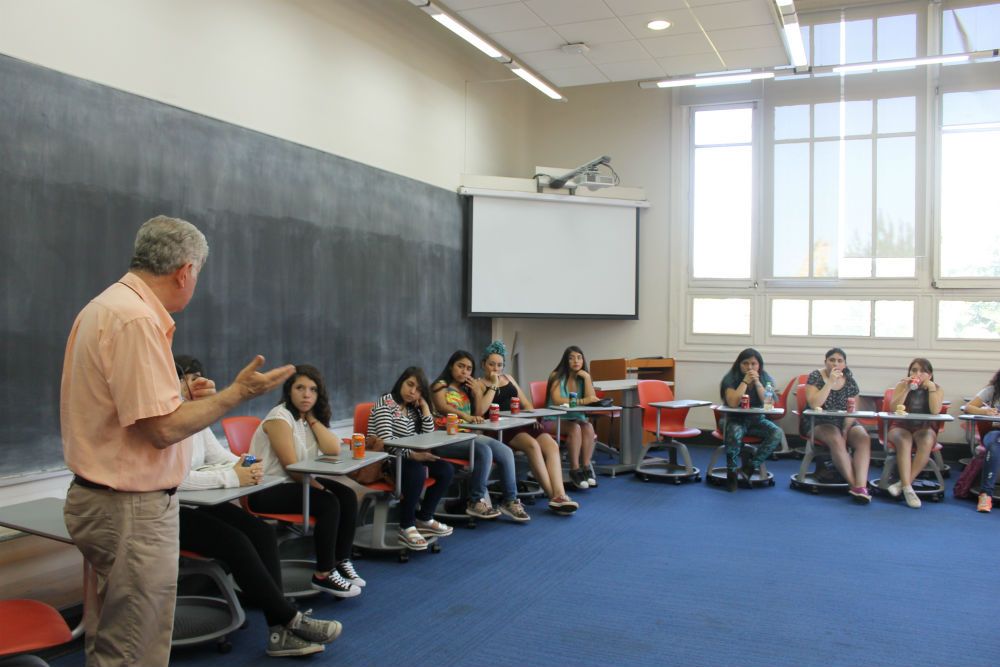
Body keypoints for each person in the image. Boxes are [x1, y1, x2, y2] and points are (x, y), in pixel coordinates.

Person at [60, 215, 294, 667]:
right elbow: (163, 430)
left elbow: (134, 413)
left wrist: (183, 397)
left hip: (108, 501)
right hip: (130, 510)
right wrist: (236, 394)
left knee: (114, 639)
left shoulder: (108, 307)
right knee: (135, 648)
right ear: (185, 271)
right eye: (198, 275)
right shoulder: (135, 321)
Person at [174, 355, 340, 657]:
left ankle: (278, 630)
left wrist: (248, 464)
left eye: (200, 376)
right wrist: (231, 477)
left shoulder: (196, 418)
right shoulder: (166, 419)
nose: (197, 383)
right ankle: (289, 618)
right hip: (169, 511)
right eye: (188, 377)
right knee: (236, 542)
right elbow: (175, 479)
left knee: (261, 533)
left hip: (198, 504)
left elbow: (221, 456)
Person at [248, 365, 366, 596]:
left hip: (294, 483)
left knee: (347, 495)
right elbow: (292, 467)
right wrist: (319, 487)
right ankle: (324, 574)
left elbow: (333, 449)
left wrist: (312, 417)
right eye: (300, 388)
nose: (306, 394)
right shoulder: (279, 418)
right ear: (289, 390)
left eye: (313, 390)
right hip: (267, 489)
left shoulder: (305, 419)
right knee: (328, 502)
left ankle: (340, 559)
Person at [430, 350, 530, 522]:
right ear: (451, 366)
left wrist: (476, 393)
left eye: (469, 369)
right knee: (483, 451)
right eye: (460, 366)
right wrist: (466, 417)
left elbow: (478, 414)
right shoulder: (440, 385)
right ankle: (475, 501)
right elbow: (442, 407)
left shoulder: (466, 389)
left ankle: (510, 500)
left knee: (505, 452)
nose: (464, 372)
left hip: (466, 436)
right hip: (444, 437)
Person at [480, 341, 578, 513]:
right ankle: (553, 497)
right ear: (483, 365)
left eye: (500, 365)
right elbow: (480, 410)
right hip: (501, 428)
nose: (496, 368)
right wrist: (494, 384)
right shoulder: (479, 383)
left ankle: (561, 494)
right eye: (491, 364)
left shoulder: (509, 378)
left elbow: (526, 403)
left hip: (521, 422)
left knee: (552, 445)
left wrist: (532, 417)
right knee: (532, 446)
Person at [367, 367, 456, 549]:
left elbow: (428, 436)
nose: (412, 391)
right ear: (401, 382)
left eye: (418, 389)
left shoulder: (412, 408)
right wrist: (414, 455)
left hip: (408, 457)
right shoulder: (386, 403)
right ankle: (406, 525)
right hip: (385, 458)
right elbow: (387, 441)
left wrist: (424, 408)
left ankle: (424, 517)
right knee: (416, 471)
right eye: (410, 385)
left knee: (446, 470)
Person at [802, 348, 872, 503]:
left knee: (863, 438)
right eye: (832, 360)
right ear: (825, 362)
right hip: (819, 422)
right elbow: (814, 403)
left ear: (845, 365)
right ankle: (854, 485)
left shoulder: (850, 381)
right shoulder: (815, 376)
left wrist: (846, 428)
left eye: (840, 361)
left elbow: (852, 410)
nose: (835, 363)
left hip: (845, 422)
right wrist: (830, 382)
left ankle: (861, 484)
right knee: (836, 438)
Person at [719, 348, 783, 492]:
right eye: (745, 363)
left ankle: (749, 467)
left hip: (756, 420)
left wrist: (758, 383)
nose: (749, 367)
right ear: (739, 364)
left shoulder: (766, 378)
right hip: (733, 420)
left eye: (754, 364)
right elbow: (733, 402)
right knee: (735, 432)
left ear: (759, 365)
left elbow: (769, 403)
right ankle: (732, 474)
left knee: (776, 432)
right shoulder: (730, 378)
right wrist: (745, 382)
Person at [886, 357, 945, 509]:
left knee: (925, 441)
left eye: (923, 371)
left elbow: (935, 410)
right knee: (905, 441)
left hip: (924, 427)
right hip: (901, 426)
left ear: (930, 375)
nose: (917, 374)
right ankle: (908, 488)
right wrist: (906, 388)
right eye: (914, 370)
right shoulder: (901, 385)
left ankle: (903, 485)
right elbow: (893, 408)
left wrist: (931, 388)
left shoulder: (936, 388)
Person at [545, 346, 600, 490]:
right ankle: (574, 470)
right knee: (575, 428)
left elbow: (592, 398)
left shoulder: (583, 377)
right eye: (571, 358)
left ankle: (586, 467)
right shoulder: (556, 375)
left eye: (579, 357)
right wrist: (582, 401)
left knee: (587, 426)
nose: (576, 361)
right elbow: (557, 399)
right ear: (565, 360)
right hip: (553, 419)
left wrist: (587, 377)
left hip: (575, 418)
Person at [963, 368, 1000, 513]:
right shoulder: (992, 390)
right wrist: (984, 411)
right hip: (994, 432)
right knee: (994, 445)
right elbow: (968, 407)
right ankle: (986, 494)